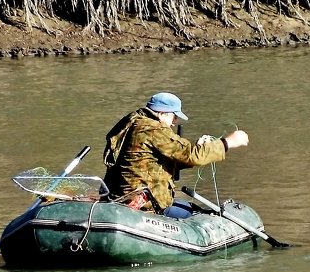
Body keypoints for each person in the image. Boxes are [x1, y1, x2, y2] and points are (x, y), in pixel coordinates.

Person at [103, 92, 248, 218]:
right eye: (174, 117)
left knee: (182, 204)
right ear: (162, 113)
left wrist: (198, 147)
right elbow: (192, 156)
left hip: (119, 198)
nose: (174, 122)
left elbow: (152, 162)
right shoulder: (153, 129)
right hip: (142, 206)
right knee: (186, 211)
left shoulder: (133, 123)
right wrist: (228, 142)